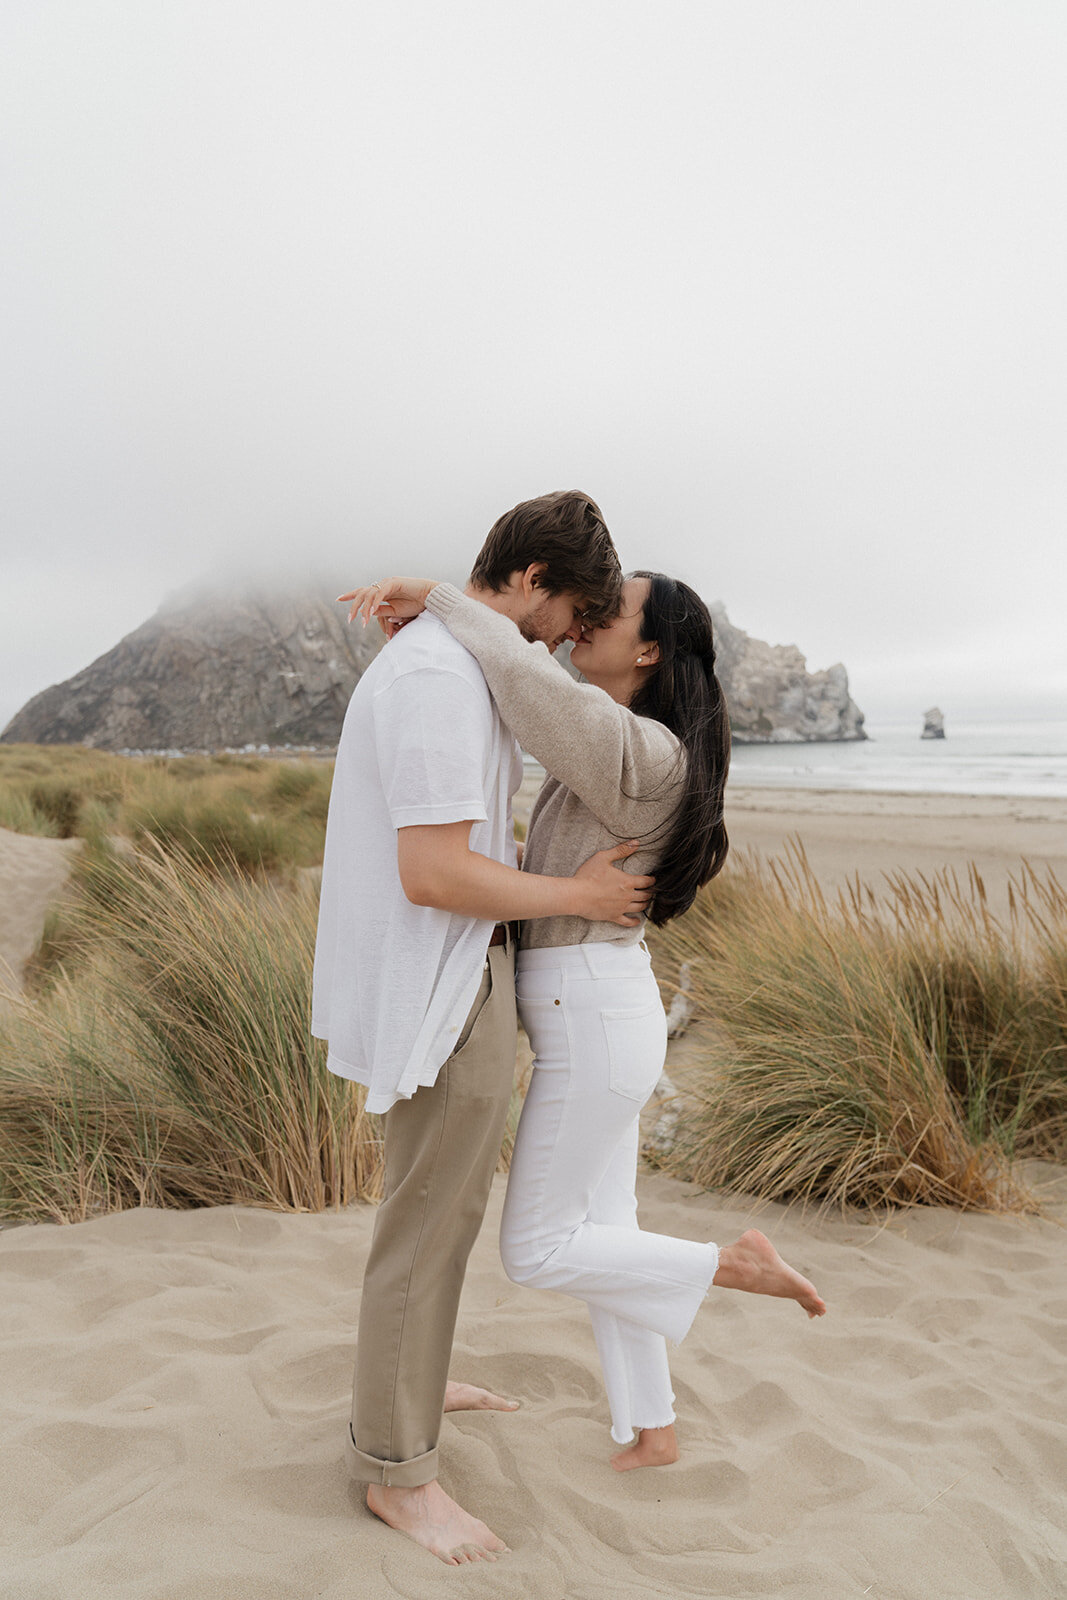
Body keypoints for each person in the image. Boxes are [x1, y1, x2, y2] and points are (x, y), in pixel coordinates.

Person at [342, 566, 827, 1477]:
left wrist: (449, 602)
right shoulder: (628, 748)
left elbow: (526, 687)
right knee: (611, 1232)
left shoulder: (641, 752)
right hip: (598, 1009)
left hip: (591, 1018)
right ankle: (655, 1428)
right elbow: (513, 718)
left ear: (647, 649)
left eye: (612, 611)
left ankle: (733, 1265)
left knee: (537, 1250)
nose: (589, 619)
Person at [312, 491, 656, 1567]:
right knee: (424, 1223)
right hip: (445, 983)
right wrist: (578, 894)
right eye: (567, 615)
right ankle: (396, 1471)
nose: (562, 641)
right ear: (536, 579)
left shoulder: (450, 664)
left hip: (449, 977)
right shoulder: (438, 682)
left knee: (442, 1213)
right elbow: (432, 871)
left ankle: (405, 1389)